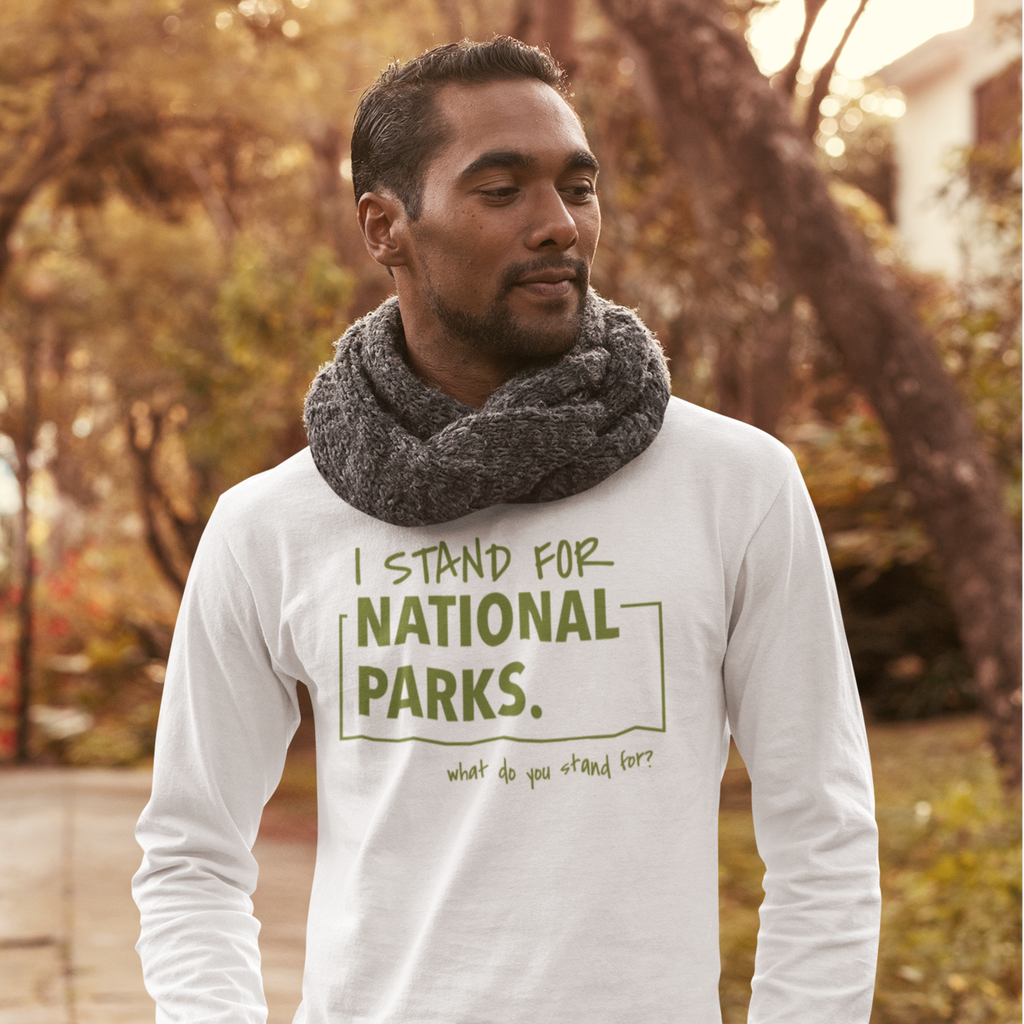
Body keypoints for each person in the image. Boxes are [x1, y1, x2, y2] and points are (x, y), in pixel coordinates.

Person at [133, 36, 881, 1024]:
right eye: (501, 189)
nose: (558, 224)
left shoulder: (733, 484)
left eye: (577, 186)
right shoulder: (273, 525)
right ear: (385, 226)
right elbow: (192, 853)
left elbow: (822, 836)